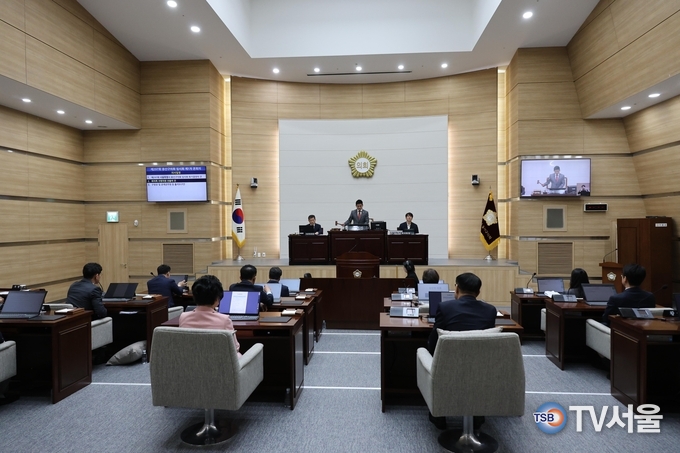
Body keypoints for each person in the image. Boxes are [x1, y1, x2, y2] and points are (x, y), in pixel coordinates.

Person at [426, 272, 497, 431]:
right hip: (481, 367)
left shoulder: (445, 307)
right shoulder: (490, 310)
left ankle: (439, 414)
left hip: (448, 366)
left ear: (456, 289)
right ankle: (477, 414)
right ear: (478, 292)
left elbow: (434, 340)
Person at [179, 275, 240, 355]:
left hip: (191, 359)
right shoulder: (224, 320)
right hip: (218, 361)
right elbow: (234, 348)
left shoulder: (183, 317)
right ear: (217, 298)